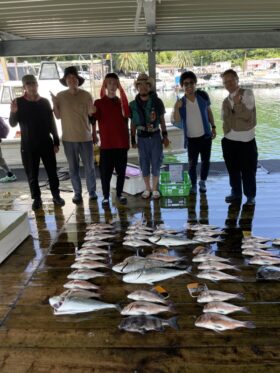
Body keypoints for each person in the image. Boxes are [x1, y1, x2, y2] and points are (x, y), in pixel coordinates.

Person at [9, 74, 65, 210]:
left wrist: (56, 142)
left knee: (52, 172)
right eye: (28, 85)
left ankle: (56, 195)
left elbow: (52, 123)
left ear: (37, 85)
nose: (32, 87)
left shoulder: (45, 102)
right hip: (28, 145)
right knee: (31, 174)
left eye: (34, 84)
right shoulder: (18, 102)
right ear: (24, 87)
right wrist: (13, 112)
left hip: (46, 143)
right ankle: (37, 198)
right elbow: (12, 123)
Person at [51, 66, 97, 204]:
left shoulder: (87, 95)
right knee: (73, 168)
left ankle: (92, 192)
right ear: (66, 80)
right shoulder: (60, 96)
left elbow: (91, 117)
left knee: (90, 167)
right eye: (69, 78)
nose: (72, 80)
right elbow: (58, 117)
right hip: (68, 139)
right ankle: (77, 193)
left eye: (74, 77)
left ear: (78, 80)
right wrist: (54, 104)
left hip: (86, 138)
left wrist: (93, 114)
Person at [172, 71, 216, 194]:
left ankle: (202, 181)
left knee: (206, 161)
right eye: (185, 84)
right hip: (191, 139)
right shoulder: (181, 102)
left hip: (206, 136)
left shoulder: (203, 95)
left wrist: (213, 126)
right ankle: (193, 184)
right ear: (182, 86)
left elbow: (209, 111)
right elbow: (177, 120)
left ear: (195, 83)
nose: (189, 86)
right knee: (192, 164)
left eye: (191, 83)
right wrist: (176, 107)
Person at [129, 73, 169, 199]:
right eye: (140, 84)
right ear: (137, 87)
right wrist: (132, 139)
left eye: (146, 84)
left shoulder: (157, 102)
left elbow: (162, 120)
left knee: (156, 162)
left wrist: (165, 136)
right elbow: (133, 123)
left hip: (156, 136)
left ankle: (155, 188)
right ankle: (147, 188)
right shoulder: (132, 105)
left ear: (149, 86)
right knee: (144, 162)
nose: (143, 87)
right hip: (141, 138)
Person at [92, 73, 130, 207]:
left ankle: (119, 194)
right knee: (105, 174)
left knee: (121, 173)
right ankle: (106, 197)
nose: (112, 86)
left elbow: (127, 120)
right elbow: (93, 119)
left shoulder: (123, 103)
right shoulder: (99, 102)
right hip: (107, 145)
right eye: (110, 83)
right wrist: (93, 133)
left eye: (115, 83)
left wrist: (129, 142)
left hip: (121, 144)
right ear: (105, 85)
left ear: (118, 85)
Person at [221, 69, 258, 206]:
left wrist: (236, 105)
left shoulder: (247, 93)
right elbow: (225, 119)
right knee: (233, 170)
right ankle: (235, 193)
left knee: (248, 171)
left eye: (231, 80)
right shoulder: (226, 100)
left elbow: (247, 116)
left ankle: (250, 196)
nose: (228, 83)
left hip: (246, 141)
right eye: (225, 82)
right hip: (229, 141)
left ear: (237, 79)